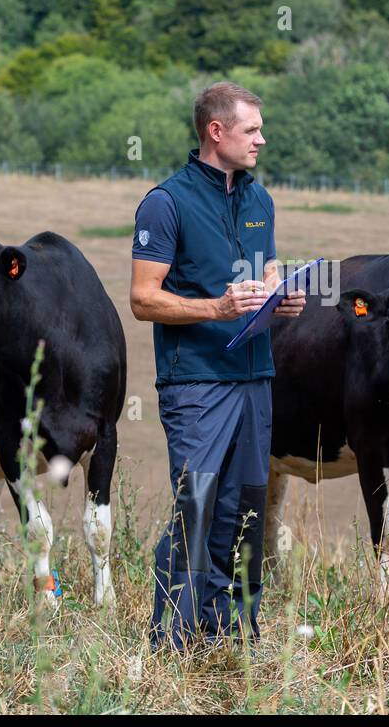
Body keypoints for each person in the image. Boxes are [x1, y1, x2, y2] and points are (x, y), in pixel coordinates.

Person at [130, 81, 305, 650]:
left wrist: (285, 296)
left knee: (245, 507)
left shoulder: (260, 201)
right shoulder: (166, 203)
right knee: (197, 505)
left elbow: (267, 272)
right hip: (197, 383)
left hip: (256, 377)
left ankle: (234, 636)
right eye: (252, 129)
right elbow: (142, 298)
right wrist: (217, 307)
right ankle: (172, 642)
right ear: (216, 131)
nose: (262, 139)